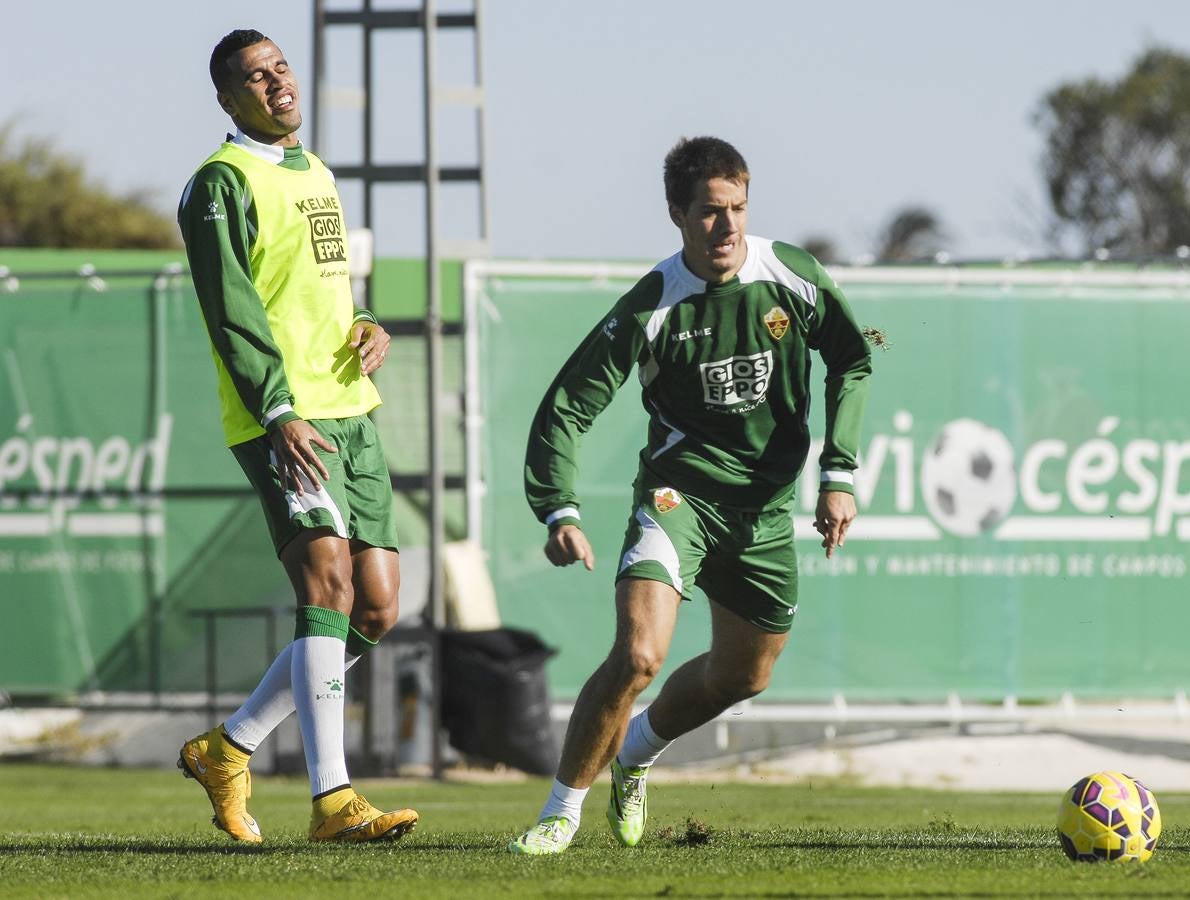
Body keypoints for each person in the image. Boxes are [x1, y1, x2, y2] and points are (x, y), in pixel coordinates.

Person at [508, 136, 873, 854]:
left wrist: (837, 474)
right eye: (709, 212)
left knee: (746, 675)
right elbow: (566, 406)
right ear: (676, 214)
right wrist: (558, 507)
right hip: (679, 501)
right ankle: (559, 812)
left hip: (765, 514)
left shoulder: (790, 276)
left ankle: (636, 753)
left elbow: (852, 361)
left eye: (737, 208)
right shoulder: (653, 302)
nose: (727, 226)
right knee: (639, 656)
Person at [175, 28, 418, 844]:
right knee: (326, 588)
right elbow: (232, 309)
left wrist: (366, 325)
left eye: (281, 67)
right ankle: (333, 801)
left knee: (377, 609)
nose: (277, 82)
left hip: (352, 411)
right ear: (227, 99)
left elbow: (319, 292)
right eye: (255, 75)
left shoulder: (314, 171)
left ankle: (228, 746)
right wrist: (279, 410)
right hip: (286, 420)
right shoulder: (218, 182)